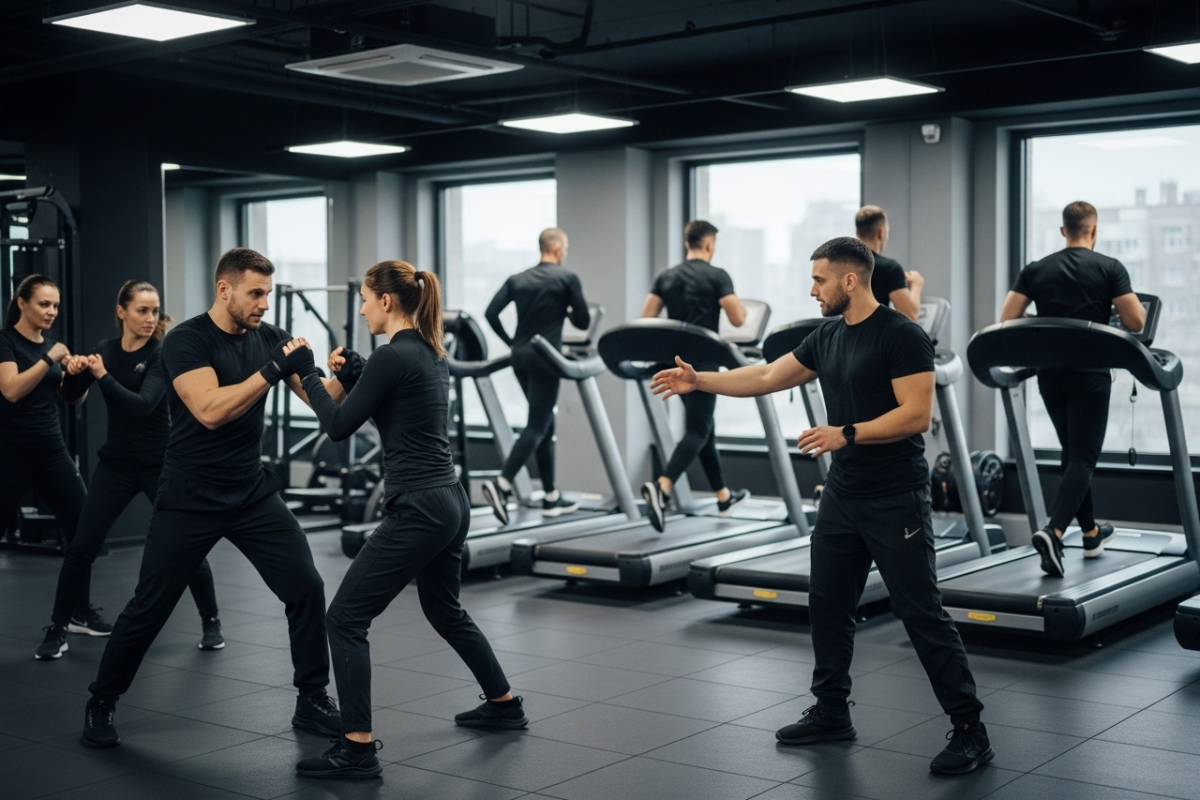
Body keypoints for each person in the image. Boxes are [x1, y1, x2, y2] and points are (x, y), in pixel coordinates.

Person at [650, 237, 992, 775]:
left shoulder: (903, 338)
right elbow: (764, 377)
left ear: (850, 281)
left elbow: (916, 416)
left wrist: (846, 433)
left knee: (920, 612)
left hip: (894, 495)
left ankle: (970, 728)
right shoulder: (827, 336)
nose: (813, 290)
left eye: (819, 281)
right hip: (843, 494)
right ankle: (832, 710)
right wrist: (700, 382)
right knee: (828, 604)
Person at [81, 248, 340, 748]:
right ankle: (101, 701)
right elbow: (208, 410)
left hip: (251, 492)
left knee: (305, 586)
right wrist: (270, 370)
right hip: (190, 493)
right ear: (225, 289)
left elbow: (324, 406)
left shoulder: (270, 337)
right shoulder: (185, 340)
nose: (266, 303)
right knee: (150, 606)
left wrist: (346, 377)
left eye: (269, 292)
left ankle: (311, 699)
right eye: (256, 293)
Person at [287, 261, 525, 780]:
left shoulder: (394, 357)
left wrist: (305, 369)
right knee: (445, 610)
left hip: (418, 506)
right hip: (450, 500)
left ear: (387, 302)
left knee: (345, 619)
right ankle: (504, 704)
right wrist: (353, 373)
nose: (362, 307)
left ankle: (356, 748)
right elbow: (397, 411)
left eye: (366, 299)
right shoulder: (429, 350)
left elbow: (339, 426)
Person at [38, 280, 224, 661]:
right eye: (142, 310)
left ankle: (212, 622)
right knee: (81, 547)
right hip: (117, 466)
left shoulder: (161, 353)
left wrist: (102, 375)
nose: (150, 318)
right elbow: (71, 397)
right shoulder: (105, 350)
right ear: (121, 311)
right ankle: (57, 629)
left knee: (186, 548)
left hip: (160, 465)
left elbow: (142, 405)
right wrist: (75, 372)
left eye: (154, 310)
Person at [1000, 201, 1145, 577]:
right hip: (1090, 374)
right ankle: (1055, 531)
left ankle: (1092, 533)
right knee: (1084, 456)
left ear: (1064, 231)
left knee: (1072, 453)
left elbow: (1007, 318)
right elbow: (1135, 320)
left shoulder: (1037, 269)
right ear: (1093, 231)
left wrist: (1049, 322)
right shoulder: (1109, 267)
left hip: (1050, 374)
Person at [639, 220, 749, 532]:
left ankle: (723, 497)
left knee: (703, 429)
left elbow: (646, 318)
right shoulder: (717, 276)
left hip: (674, 364)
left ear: (688, 242)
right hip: (702, 367)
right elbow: (739, 319)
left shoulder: (666, 277)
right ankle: (662, 488)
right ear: (710, 244)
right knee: (699, 429)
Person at [0, 275, 93, 630]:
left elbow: (71, 399)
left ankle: (78, 612)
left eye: (55, 305)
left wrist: (79, 376)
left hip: (50, 448)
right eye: (44, 304)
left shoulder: (53, 347)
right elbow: (10, 390)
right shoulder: (5, 341)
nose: (51, 311)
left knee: (83, 528)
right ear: (22, 303)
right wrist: (47, 359)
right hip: (9, 451)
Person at [481, 227, 590, 524]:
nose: (565, 252)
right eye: (565, 247)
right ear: (557, 249)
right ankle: (502, 484)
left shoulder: (518, 279)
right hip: (546, 357)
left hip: (520, 357)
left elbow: (490, 313)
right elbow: (583, 322)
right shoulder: (567, 278)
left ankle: (551, 497)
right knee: (538, 423)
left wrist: (511, 343)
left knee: (544, 422)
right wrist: (566, 308)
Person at [855, 205, 923, 322]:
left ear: (857, 233)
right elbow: (910, 316)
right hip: (874, 337)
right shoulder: (889, 268)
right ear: (881, 233)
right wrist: (917, 286)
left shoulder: (844, 265)